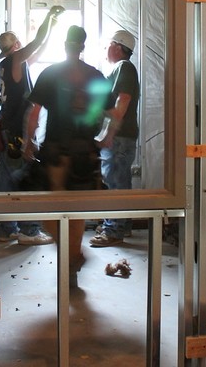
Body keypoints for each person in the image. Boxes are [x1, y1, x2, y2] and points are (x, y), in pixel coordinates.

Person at [22, 25, 111, 285]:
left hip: (57, 151)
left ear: (65, 45)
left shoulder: (51, 73)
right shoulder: (95, 75)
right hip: (85, 153)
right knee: (77, 211)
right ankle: (72, 261)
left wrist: (29, 142)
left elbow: (35, 112)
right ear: (82, 46)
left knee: (52, 209)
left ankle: (70, 256)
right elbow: (112, 112)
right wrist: (106, 137)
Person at [0, 5, 65, 245]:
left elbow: (38, 48)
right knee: (27, 178)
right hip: (16, 131)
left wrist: (51, 28)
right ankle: (29, 230)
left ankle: (7, 230)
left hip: (6, 129)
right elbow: (36, 42)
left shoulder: (9, 65)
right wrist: (48, 17)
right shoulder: (15, 59)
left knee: (6, 182)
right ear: (16, 46)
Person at [90, 29, 140, 247]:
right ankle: (122, 225)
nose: (106, 48)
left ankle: (113, 230)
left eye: (109, 44)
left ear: (118, 47)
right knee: (120, 181)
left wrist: (109, 133)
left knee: (115, 183)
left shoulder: (124, 67)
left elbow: (123, 99)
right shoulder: (120, 69)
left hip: (119, 137)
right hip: (120, 136)